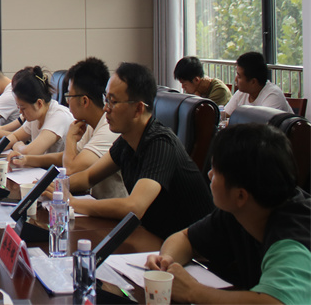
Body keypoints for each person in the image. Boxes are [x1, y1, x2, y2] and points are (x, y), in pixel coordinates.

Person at [146, 123, 310, 304]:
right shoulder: (244, 210)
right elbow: (185, 238)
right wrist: (167, 260)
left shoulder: (293, 238)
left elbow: (276, 302)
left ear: (240, 195)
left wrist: (193, 292)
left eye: (215, 171)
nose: (209, 175)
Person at [58, 62, 214, 239]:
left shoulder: (161, 143)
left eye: (113, 102)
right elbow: (87, 177)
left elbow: (134, 207)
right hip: (157, 236)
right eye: (106, 99)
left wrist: (72, 202)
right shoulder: (127, 139)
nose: (106, 108)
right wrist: (55, 188)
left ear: (138, 109)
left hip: (195, 248)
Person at [14, 57, 128, 199]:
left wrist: (70, 139)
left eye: (69, 96)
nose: (67, 102)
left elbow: (71, 170)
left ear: (84, 101)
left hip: (107, 208)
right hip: (91, 201)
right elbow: (64, 157)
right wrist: (26, 160)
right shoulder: (91, 124)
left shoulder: (108, 129)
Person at [0, 66, 73, 161]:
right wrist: (0, 145)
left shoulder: (59, 116)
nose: (20, 112)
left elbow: (29, 153)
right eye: (18, 107)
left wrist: (17, 145)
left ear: (39, 103)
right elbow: (16, 136)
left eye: (23, 108)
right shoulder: (36, 114)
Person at [224, 52, 292, 117]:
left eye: (239, 77)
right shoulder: (242, 92)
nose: (235, 79)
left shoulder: (273, 96)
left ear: (253, 82)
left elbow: (264, 124)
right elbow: (225, 115)